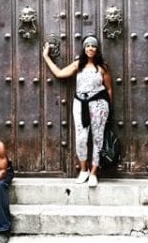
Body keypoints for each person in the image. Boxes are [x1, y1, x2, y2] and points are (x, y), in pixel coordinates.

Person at [43, 35, 112, 187]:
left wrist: (108, 109)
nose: (90, 48)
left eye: (93, 46)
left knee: (98, 138)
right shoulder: (78, 65)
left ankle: (94, 173)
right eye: (88, 46)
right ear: (84, 48)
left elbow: (109, 89)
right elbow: (60, 74)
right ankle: (83, 170)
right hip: (80, 104)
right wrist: (46, 57)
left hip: (99, 104)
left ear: (97, 49)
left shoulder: (103, 68)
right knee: (81, 138)